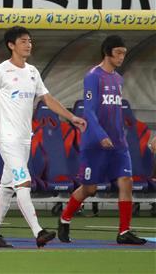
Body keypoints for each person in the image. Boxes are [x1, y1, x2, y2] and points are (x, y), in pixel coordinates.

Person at [0, 26, 86, 248]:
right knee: (23, 182)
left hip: (25, 138)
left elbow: (47, 99)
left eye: (30, 41)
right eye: (23, 41)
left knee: (6, 187)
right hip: (8, 138)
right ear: (11, 45)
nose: (28, 44)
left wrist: (72, 117)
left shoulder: (33, 72)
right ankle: (38, 231)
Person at [59, 36, 149, 245]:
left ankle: (124, 231)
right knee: (89, 189)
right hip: (95, 143)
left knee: (126, 181)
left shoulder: (118, 78)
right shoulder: (93, 77)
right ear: (107, 52)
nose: (121, 57)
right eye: (118, 52)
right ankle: (64, 218)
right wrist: (101, 135)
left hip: (118, 143)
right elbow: (89, 111)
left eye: (124, 53)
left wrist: (118, 135)